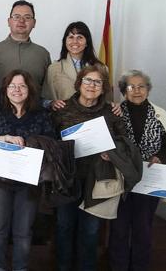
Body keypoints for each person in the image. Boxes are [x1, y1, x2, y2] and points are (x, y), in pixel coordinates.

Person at [52, 64, 126, 271]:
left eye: (97, 82)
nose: (92, 85)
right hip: (67, 177)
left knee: (91, 230)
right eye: (88, 80)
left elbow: (124, 142)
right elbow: (50, 139)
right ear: (79, 83)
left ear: (103, 87)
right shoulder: (61, 108)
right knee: (64, 226)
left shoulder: (112, 111)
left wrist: (111, 153)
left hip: (98, 179)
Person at [0, 70, 55, 271]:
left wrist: (32, 143)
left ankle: (20, 268)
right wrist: (2, 138)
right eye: (12, 86)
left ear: (29, 89)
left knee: (23, 230)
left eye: (22, 86)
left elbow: (51, 142)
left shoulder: (40, 114)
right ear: (5, 90)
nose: (17, 90)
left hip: (29, 180)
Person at [109, 70, 166, 271]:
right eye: (131, 86)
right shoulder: (115, 113)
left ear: (148, 89)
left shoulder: (161, 115)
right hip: (121, 178)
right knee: (119, 228)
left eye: (141, 86)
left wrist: (160, 158)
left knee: (143, 228)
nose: (137, 91)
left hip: (150, 177)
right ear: (124, 91)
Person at [0, 0, 51, 96]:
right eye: (16, 17)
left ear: (34, 23)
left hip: (36, 110)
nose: (21, 21)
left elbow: (47, 91)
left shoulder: (43, 54)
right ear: (9, 21)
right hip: (0, 110)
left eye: (27, 17)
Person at [43, 21, 106, 110]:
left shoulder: (101, 68)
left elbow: (107, 100)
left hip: (94, 118)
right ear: (65, 41)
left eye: (80, 37)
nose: (75, 41)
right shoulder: (54, 68)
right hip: (65, 118)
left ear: (87, 42)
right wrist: (51, 103)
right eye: (71, 37)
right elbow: (46, 98)